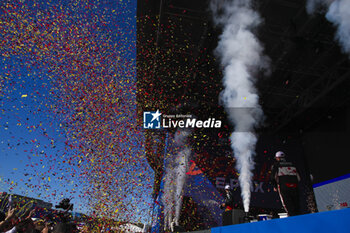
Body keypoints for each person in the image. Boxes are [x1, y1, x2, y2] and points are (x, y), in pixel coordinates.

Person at [270, 151, 301, 216]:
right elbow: (299, 177)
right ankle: (299, 218)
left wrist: (275, 186)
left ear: (278, 158)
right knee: (296, 204)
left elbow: (272, 178)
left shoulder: (276, 165)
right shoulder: (293, 163)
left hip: (283, 187)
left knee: (288, 205)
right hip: (295, 186)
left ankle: (293, 220)